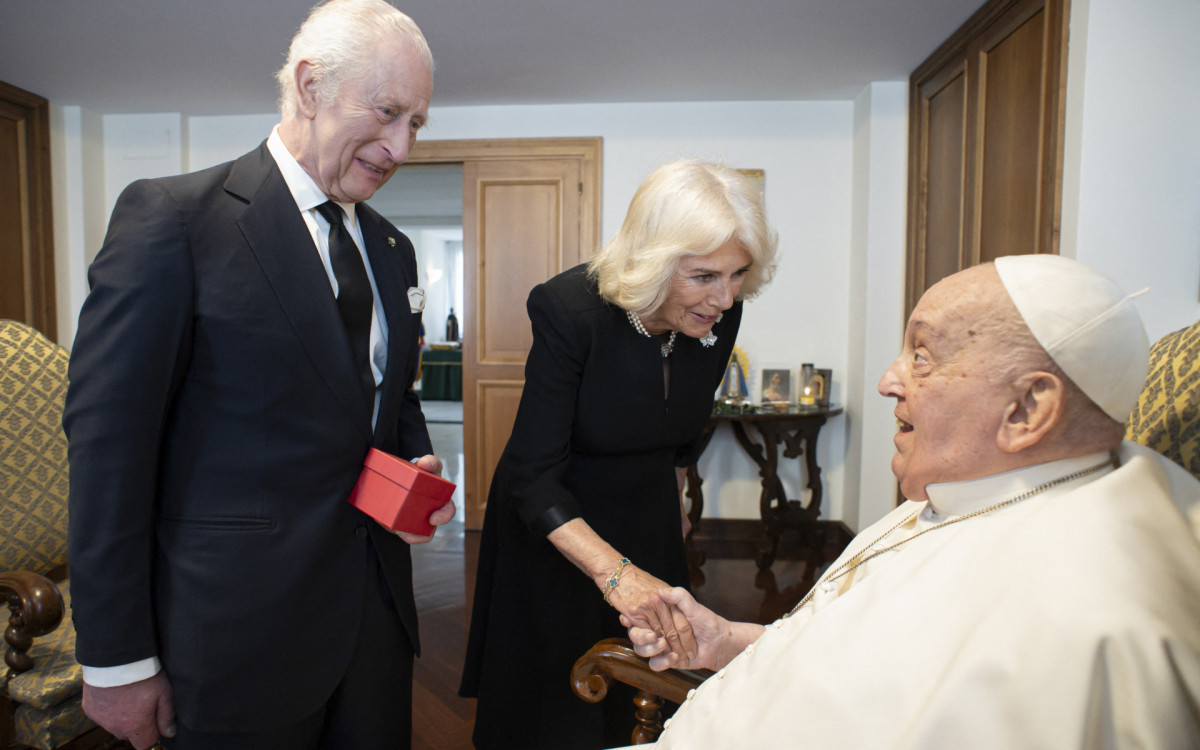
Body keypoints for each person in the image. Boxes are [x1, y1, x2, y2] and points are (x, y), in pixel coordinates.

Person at [63, 2, 453, 748]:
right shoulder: (174, 221)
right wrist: (114, 661)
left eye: (417, 124)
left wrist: (413, 474)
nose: (402, 145)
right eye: (388, 112)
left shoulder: (393, 248)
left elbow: (386, 400)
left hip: (375, 627)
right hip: (232, 639)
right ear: (310, 87)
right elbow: (108, 451)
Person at [623, 255, 1200, 748]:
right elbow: (855, 661)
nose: (888, 380)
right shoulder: (974, 490)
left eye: (922, 356)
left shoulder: (1085, 615)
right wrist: (727, 641)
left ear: (1027, 410)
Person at [459, 159, 778, 748]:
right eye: (705, 276)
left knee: (647, 680)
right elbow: (533, 474)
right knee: (553, 697)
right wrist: (616, 574)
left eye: (737, 275)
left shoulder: (716, 315)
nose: (726, 298)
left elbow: (683, 430)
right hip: (559, 516)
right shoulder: (569, 310)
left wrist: (676, 498)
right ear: (655, 260)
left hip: (647, 507)